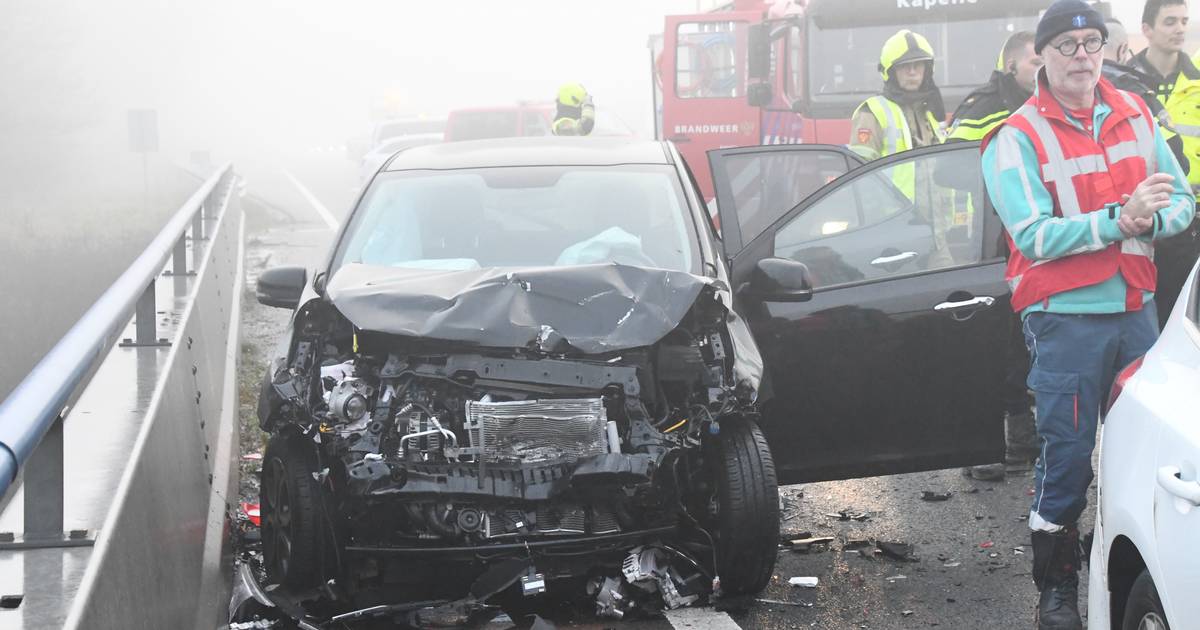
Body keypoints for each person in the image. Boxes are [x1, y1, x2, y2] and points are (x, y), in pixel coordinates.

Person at [981, 2, 1195, 628]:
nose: (1082, 56)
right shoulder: (1015, 136)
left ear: (1106, 49)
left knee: (1146, 457)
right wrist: (1117, 221)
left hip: (1137, 309)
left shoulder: (1135, 114)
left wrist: (1154, 218)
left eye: (1092, 42)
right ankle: (1056, 591)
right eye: (1067, 45)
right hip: (1065, 319)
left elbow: (1182, 201)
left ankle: (1129, 573)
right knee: (1069, 458)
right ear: (1039, 56)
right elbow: (1033, 235)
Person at [948, 32, 1043, 482]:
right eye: (1034, 61)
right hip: (989, 245)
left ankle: (1024, 442)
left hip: (1037, 244)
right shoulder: (983, 106)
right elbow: (951, 172)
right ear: (1011, 66)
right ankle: (992, 444)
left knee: (1029, 347)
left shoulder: (1052, 104)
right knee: (993, 345)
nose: (1042, 68)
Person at [851, 30, 953, 266]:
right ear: (890, 71)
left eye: (919, 65)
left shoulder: (931, 114)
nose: (912, 71)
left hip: (938, 235)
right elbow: (857, 178)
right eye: (904, 66)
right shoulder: (873, 112)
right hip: (892, 235)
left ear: (928, 70)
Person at [1130, 0, 1200, 190]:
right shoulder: (1124, 85)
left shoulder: (1198, 81)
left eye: (1184, 22)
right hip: (1148, 207)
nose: (1180, 29)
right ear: (1147, 29)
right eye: (1170, 22)